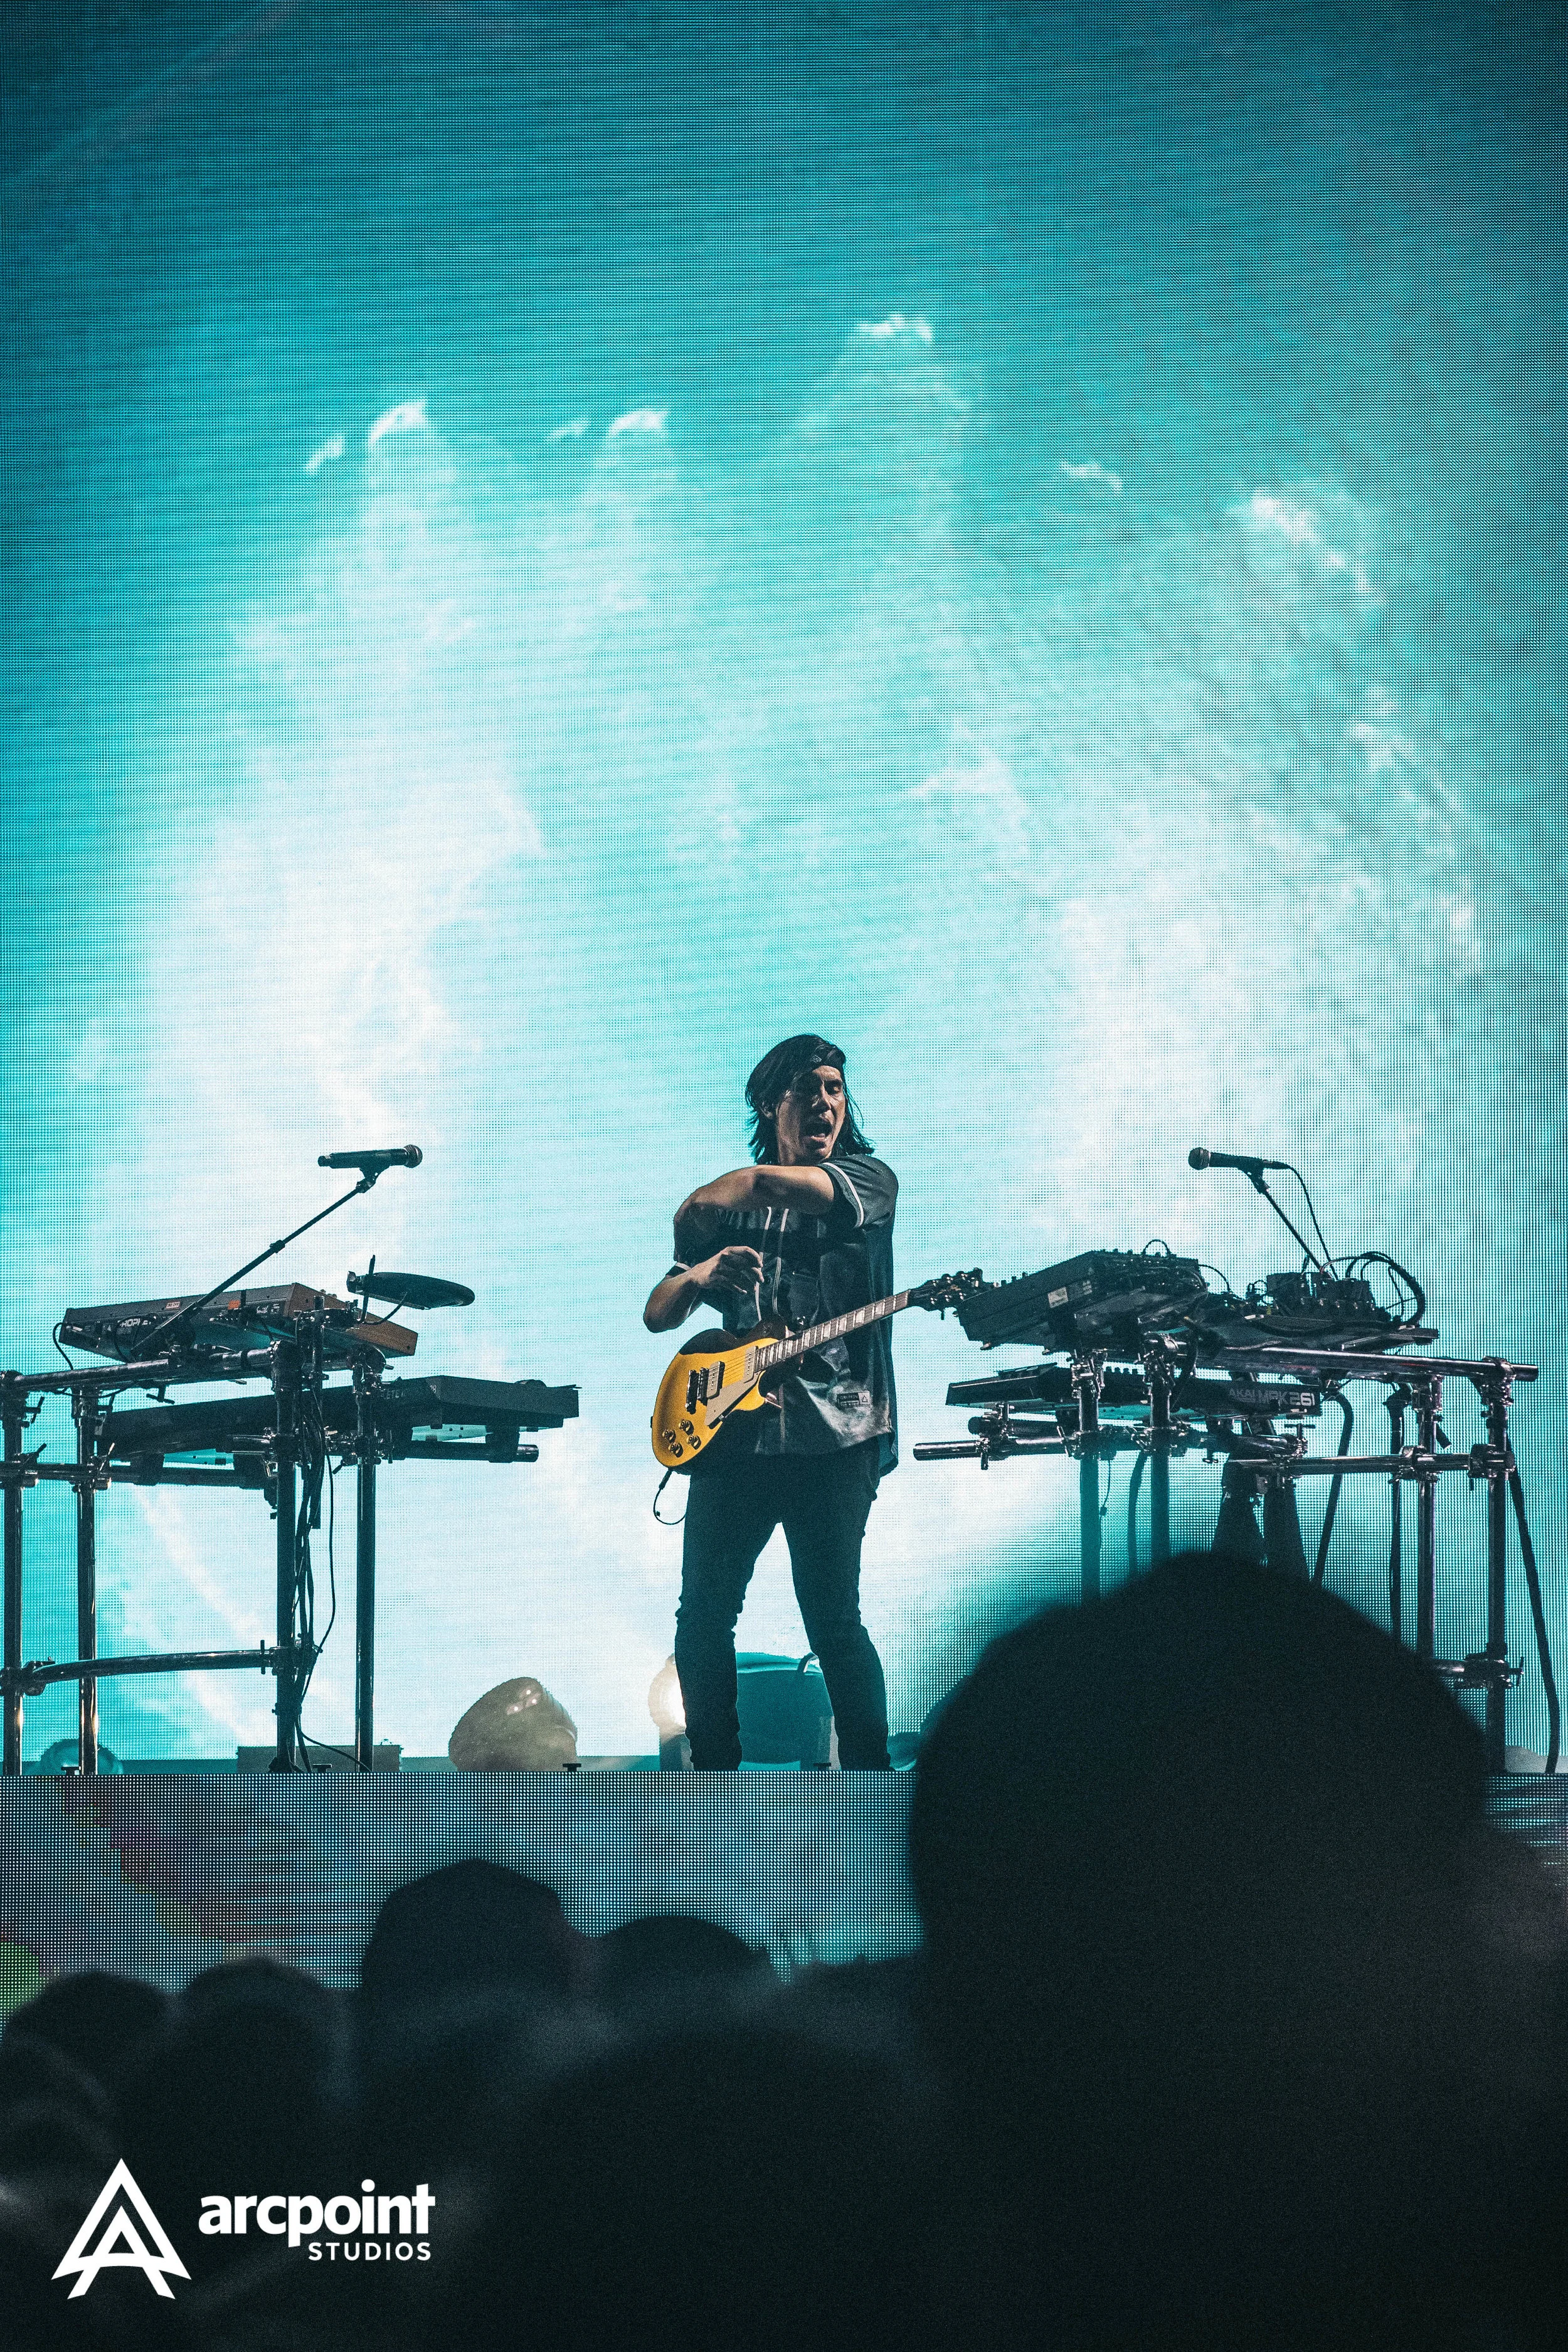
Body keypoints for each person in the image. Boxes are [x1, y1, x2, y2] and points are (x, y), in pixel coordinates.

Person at [644, 1034, 898, 1770]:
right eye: (807, 1090)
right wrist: (704, 1271)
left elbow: (755, 1188)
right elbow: (659, 1312)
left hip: (836, 1437)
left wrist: (700, 1203)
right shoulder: (729, 1224)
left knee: (833, 1620)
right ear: (770, 1102)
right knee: (704, 1618)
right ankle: (715, 1781)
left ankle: (870, 1785)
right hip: (734, 1443)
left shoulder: (868, 1180)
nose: (825, 1104)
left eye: (835, 1090)